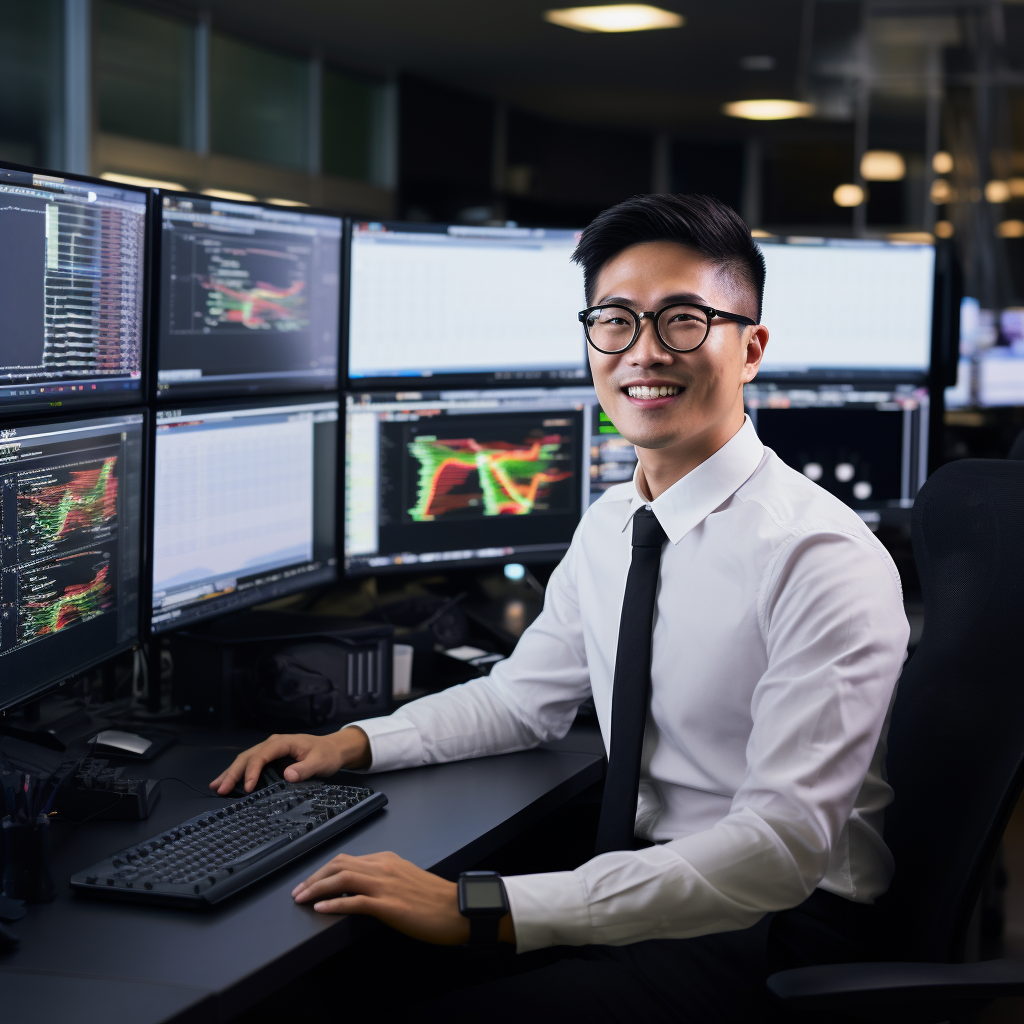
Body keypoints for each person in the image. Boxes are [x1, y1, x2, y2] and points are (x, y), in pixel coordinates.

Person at [211, 194, 909, 1022]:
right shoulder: (616, 522)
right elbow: (521, 700)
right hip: (640, 882)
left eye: (684, 320)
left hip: (771, 928)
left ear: (751, 348)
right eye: (616, 321)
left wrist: (484, 907)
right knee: (337, 978)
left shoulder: (818, 555)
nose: (644, 352)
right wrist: (355, 744)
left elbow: (777, 851)